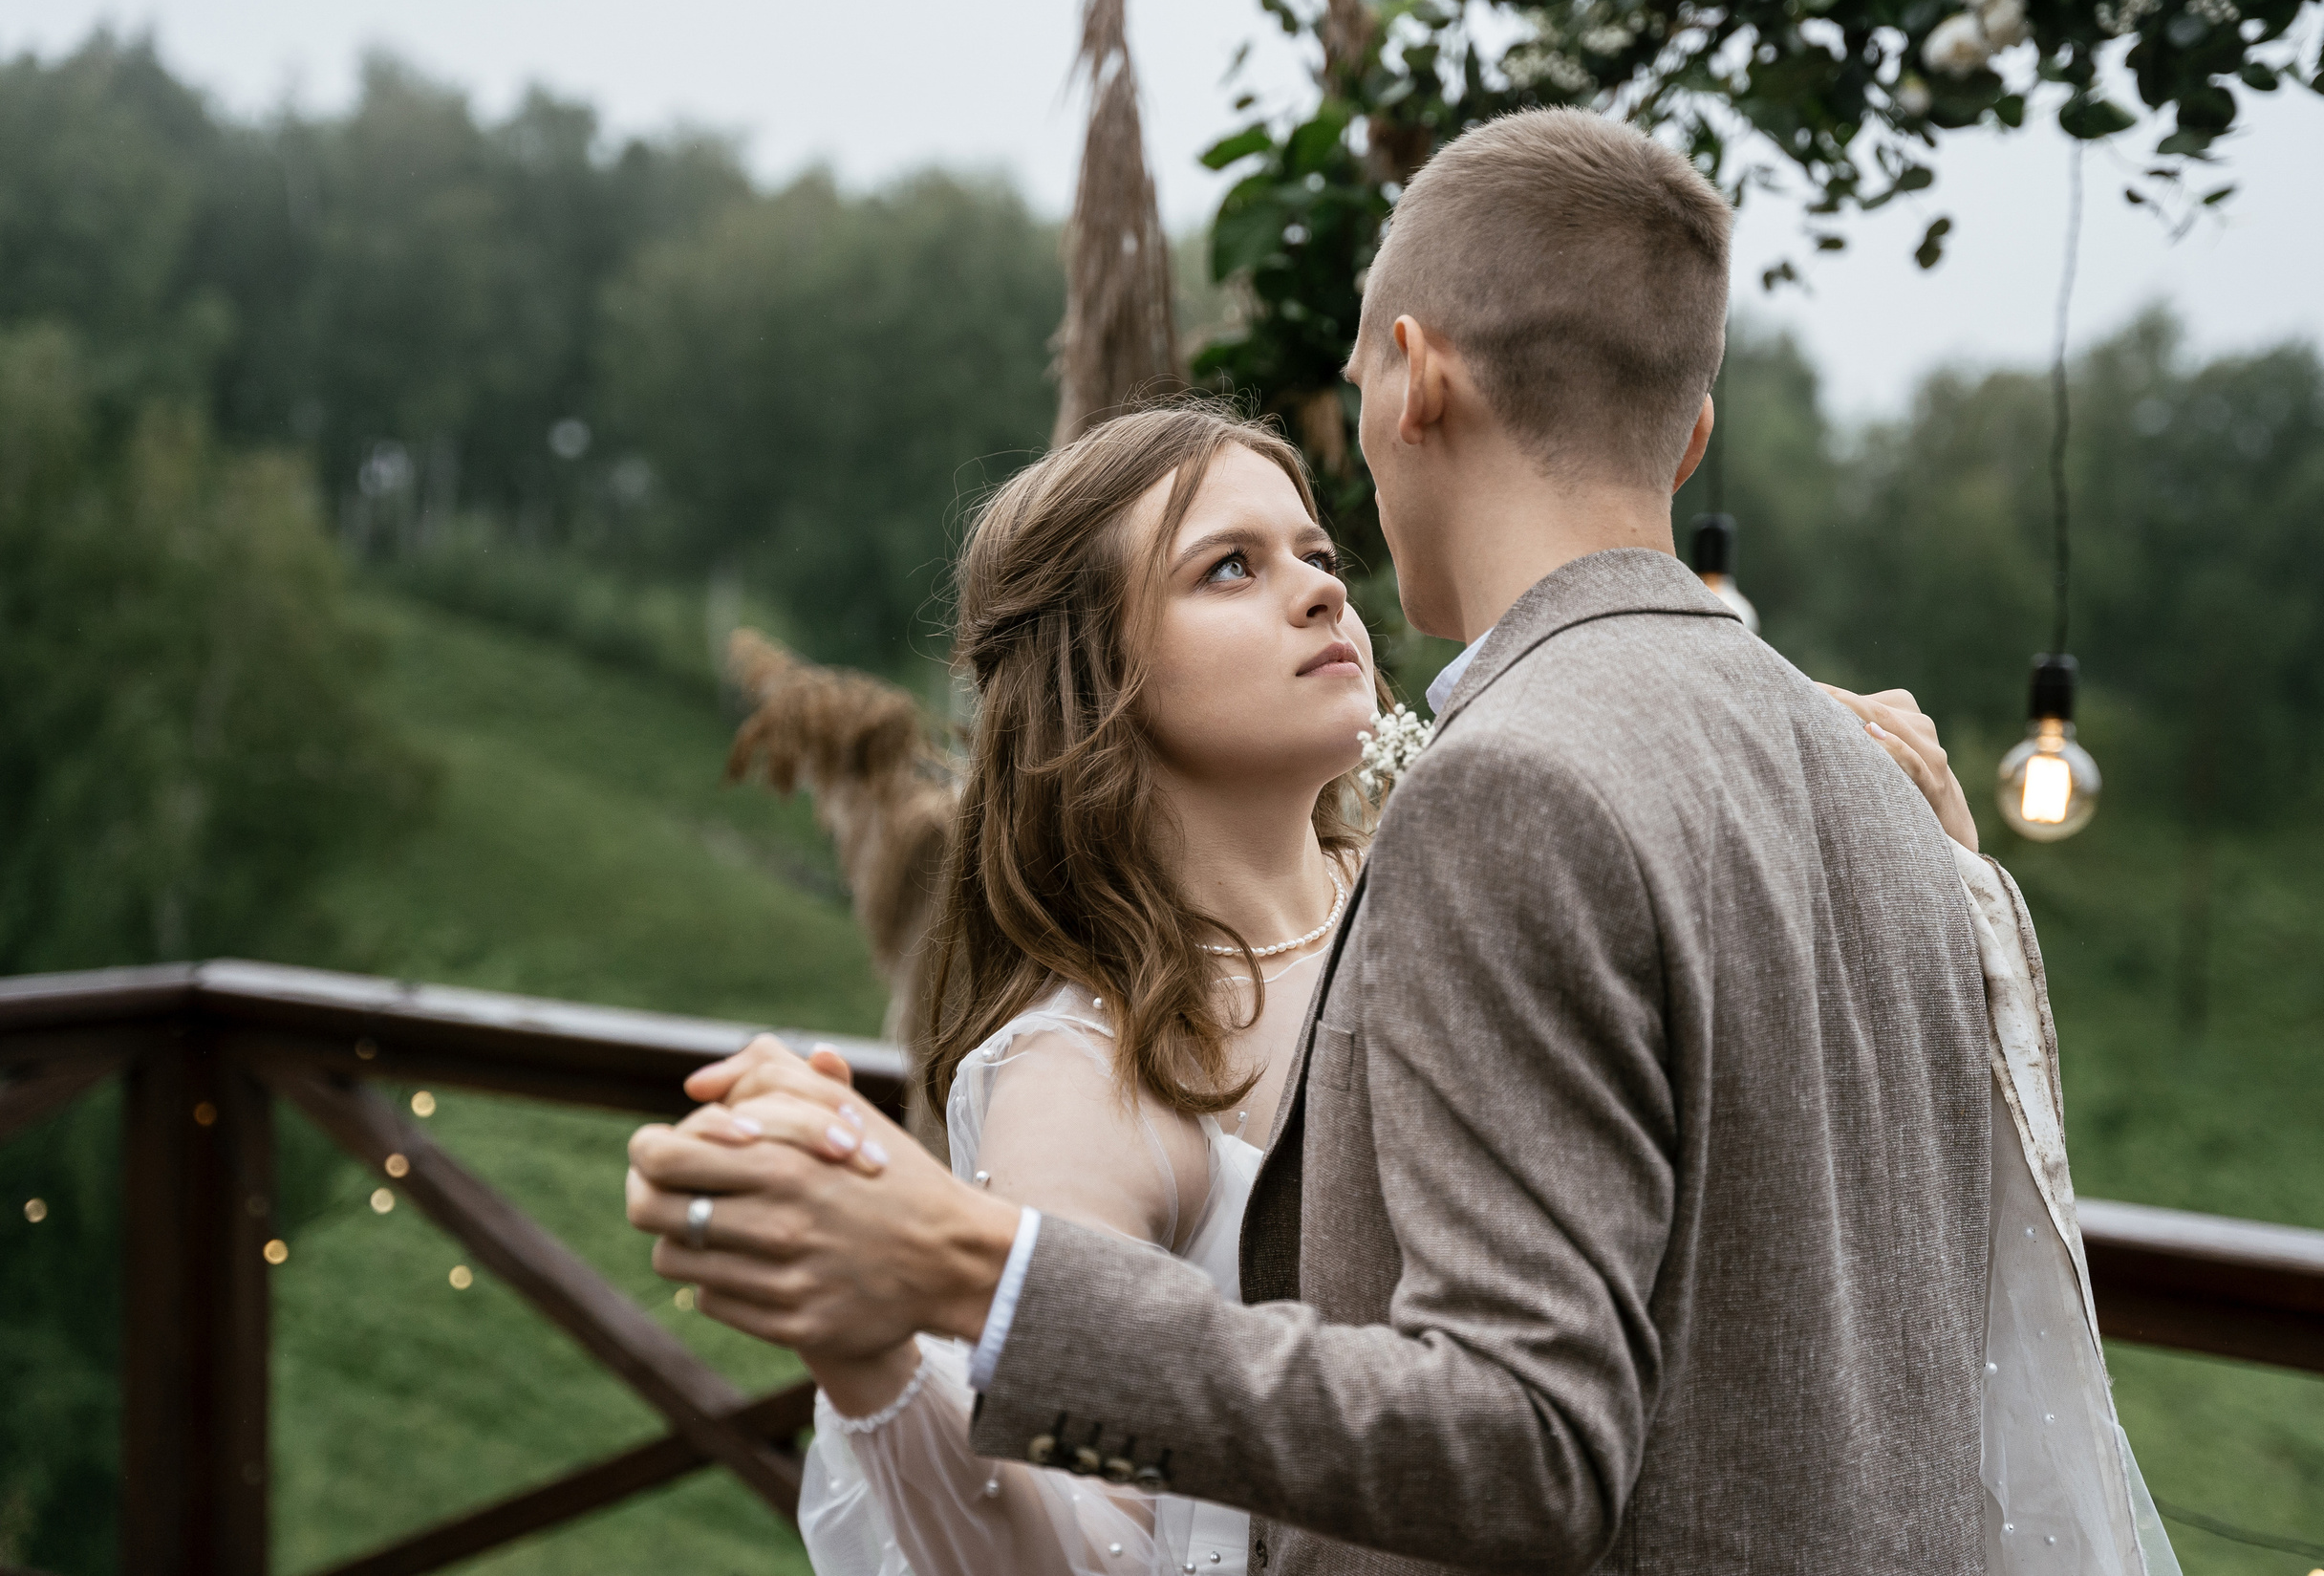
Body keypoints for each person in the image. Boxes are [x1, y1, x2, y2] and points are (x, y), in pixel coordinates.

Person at [629, 109, 2177, 1574]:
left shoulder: (1510, 815)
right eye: (1231, 567)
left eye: (1313, 543)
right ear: (1690, 433)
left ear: (1411, 380)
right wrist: (883, 1338)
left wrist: (964, 1265)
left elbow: (1527, 1436)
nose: (1321, 583)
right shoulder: (1846, 787)